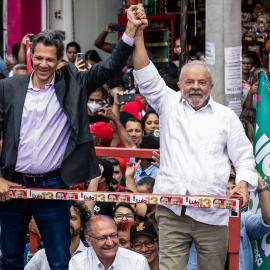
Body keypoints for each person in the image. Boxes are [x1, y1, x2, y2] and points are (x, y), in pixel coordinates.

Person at [0, 5, 146, 269]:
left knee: (59, 260)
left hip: (53, 183)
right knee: (10, 258)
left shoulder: (73, 84)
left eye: (50, 59)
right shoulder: (9, 87)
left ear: (59, 61)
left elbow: (110, 66)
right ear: (31, 55)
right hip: (13, 184)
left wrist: (130, 31)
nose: (44, 64)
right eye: (39, 58)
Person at [132, 17, 257, 270]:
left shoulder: (226, 117)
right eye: (189, 82)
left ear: (211, 86)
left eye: (202, 82)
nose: (195, 87)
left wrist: (243, 184)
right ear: (179, 85)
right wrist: (137, 33)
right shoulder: (167, 104)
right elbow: (145, 74)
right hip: (171, 210)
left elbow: (244, 157)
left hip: (213, 212)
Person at [25, 201, 90, 270]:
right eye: (63, 218)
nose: (67, 222)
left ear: (82, 226)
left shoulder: (90, 256)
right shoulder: (42, 255)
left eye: (73, 218)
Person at [69, 215, 150, 269]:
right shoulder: (79, 262)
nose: (110, 243)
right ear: (89, 240)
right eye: (102, 238)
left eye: (113, 235)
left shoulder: (137, 262)